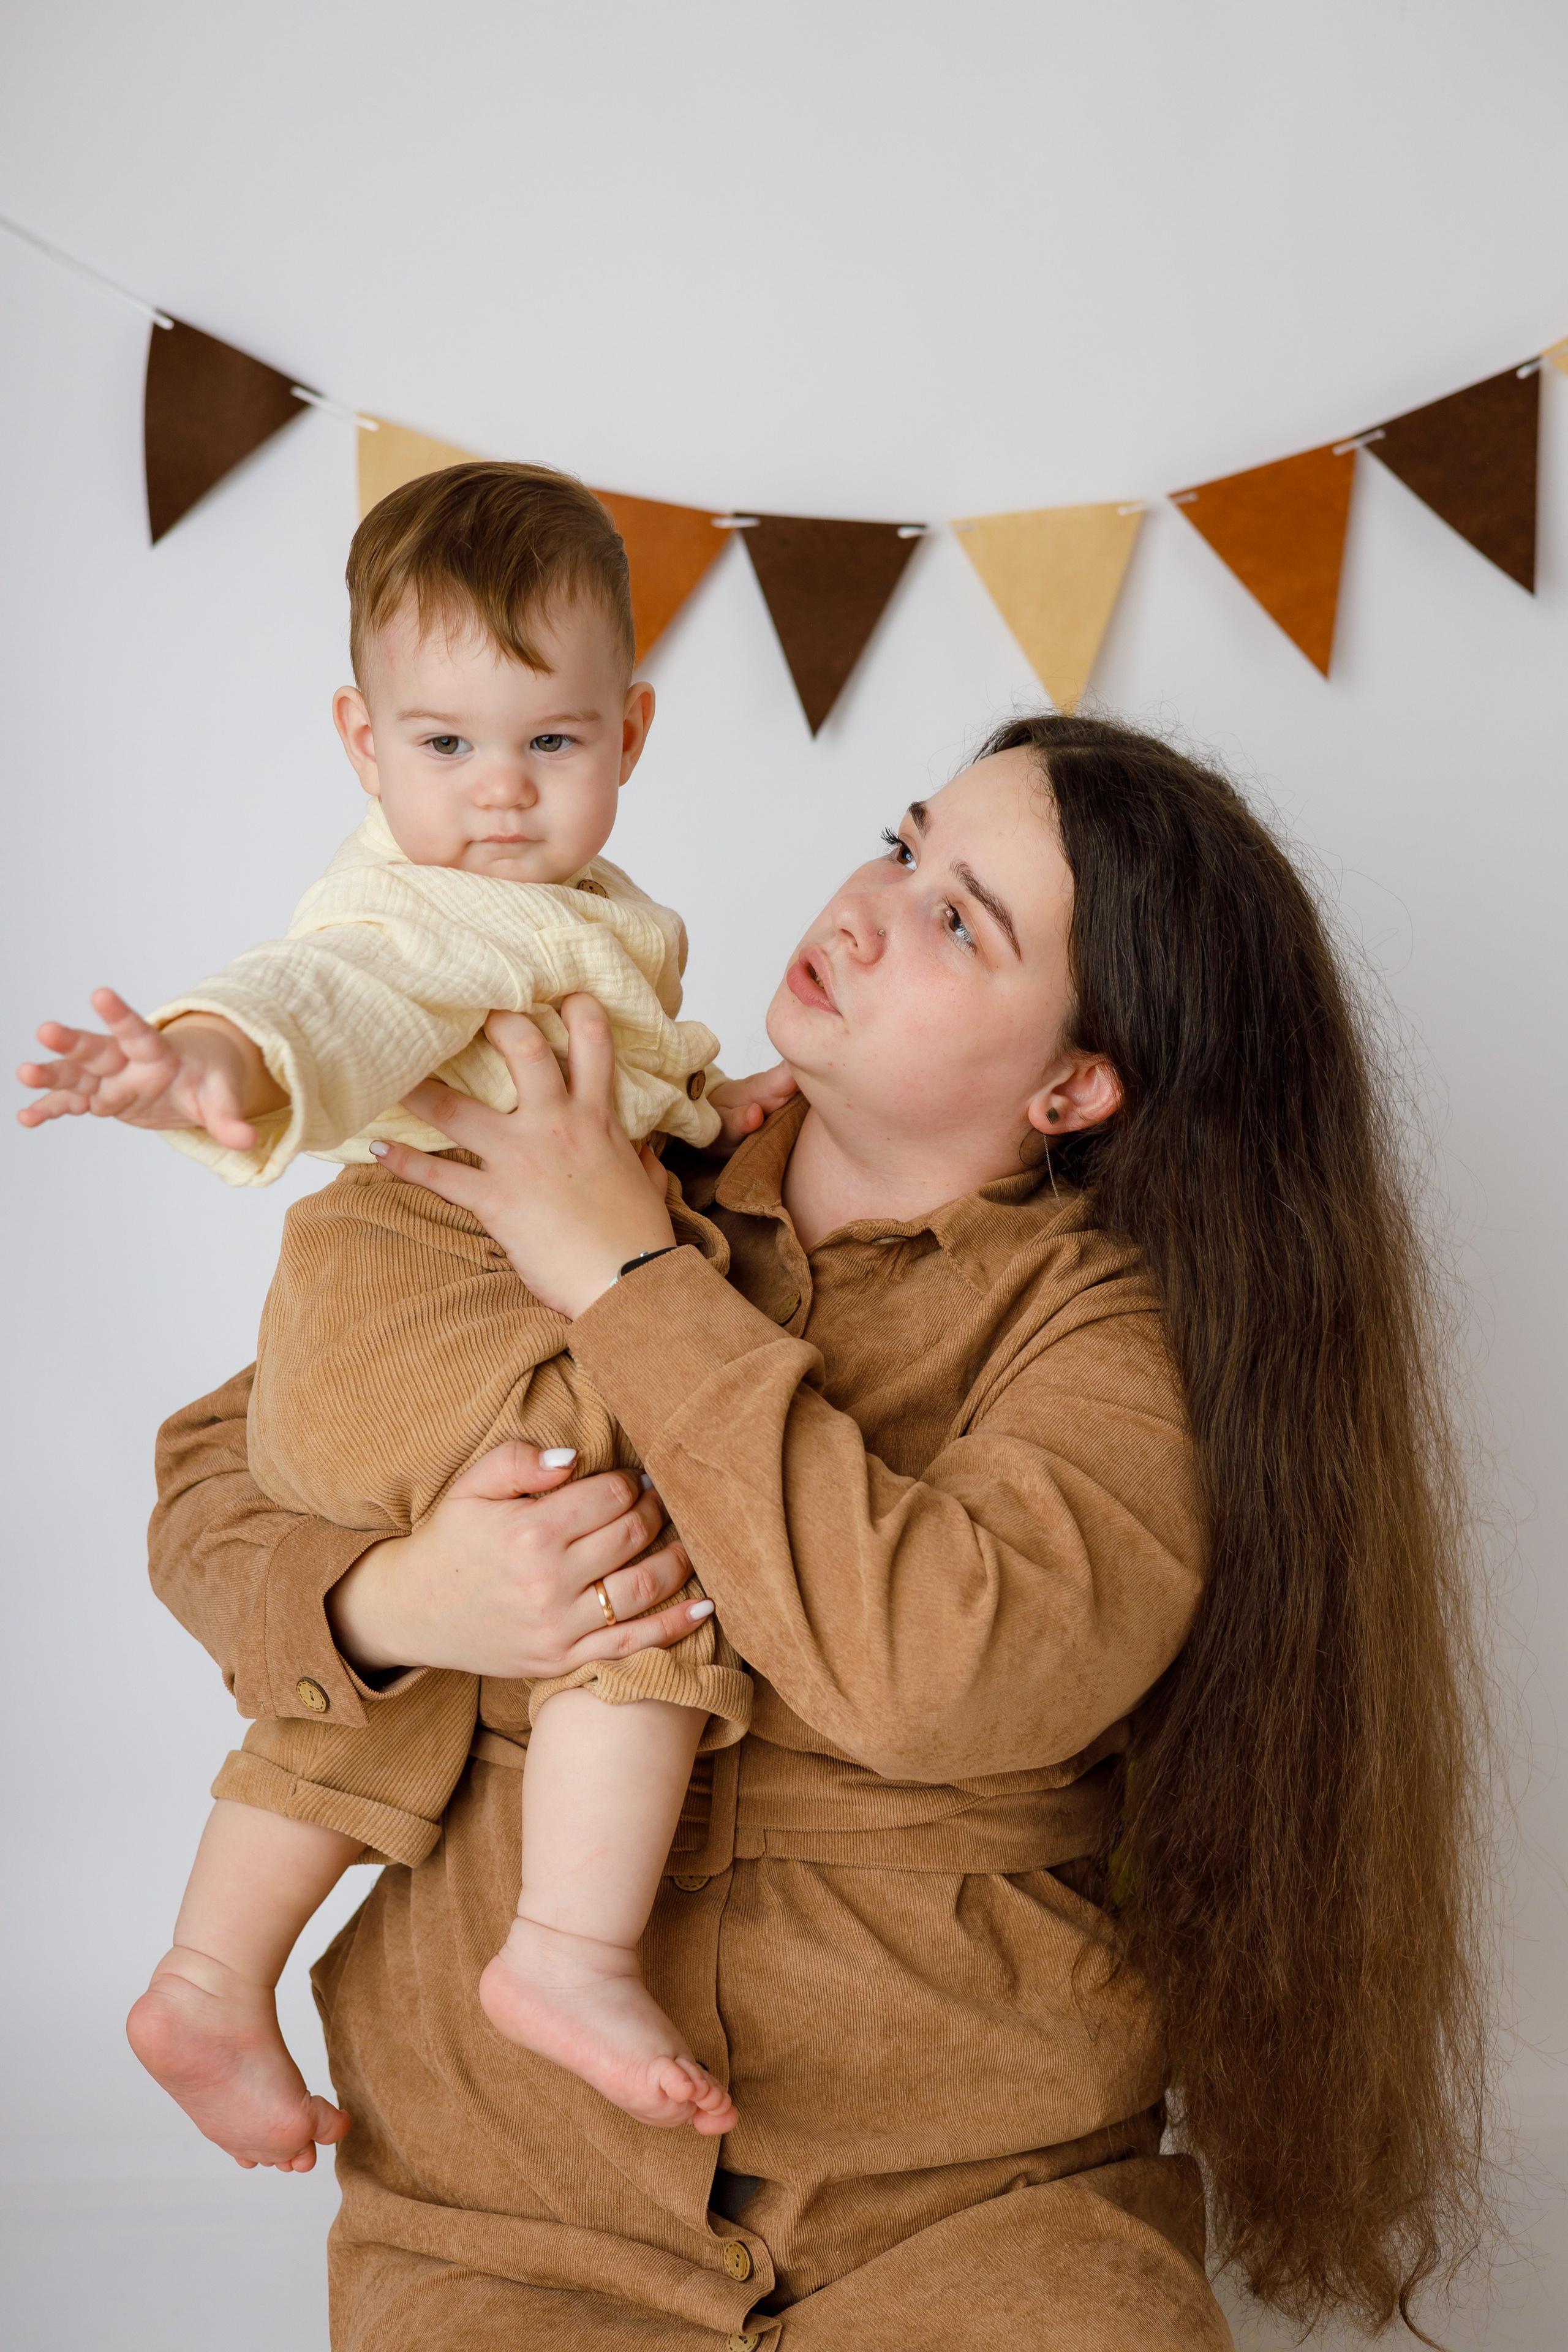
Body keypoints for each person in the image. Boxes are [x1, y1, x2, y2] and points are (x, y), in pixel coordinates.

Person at [148, 717, 1489, 2350]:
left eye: (955, 921)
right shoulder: (602, 1134)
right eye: (902, 844)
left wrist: (630, 1283)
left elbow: (935, 1672)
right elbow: (231, 1458)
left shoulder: (1110, 1341)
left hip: (972, 2206)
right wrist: (390, 1602)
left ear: (1076, 1082)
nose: (867, 904)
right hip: (501, 2213)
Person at [17, 461, 799, 2158]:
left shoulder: (590, 918)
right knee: (625, 1517)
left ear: (632, 733)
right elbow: (322, 1003)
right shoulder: (410, 911)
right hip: (415, 1288)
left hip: (417, 1323)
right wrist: (197, 1068)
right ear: (363, 745)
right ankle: (569, 1948)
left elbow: (606, 1081)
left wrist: (700, 1106)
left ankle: (211, 1973)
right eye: (445, 746)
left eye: (551, 744)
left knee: (428, 1653)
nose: (500, 794)